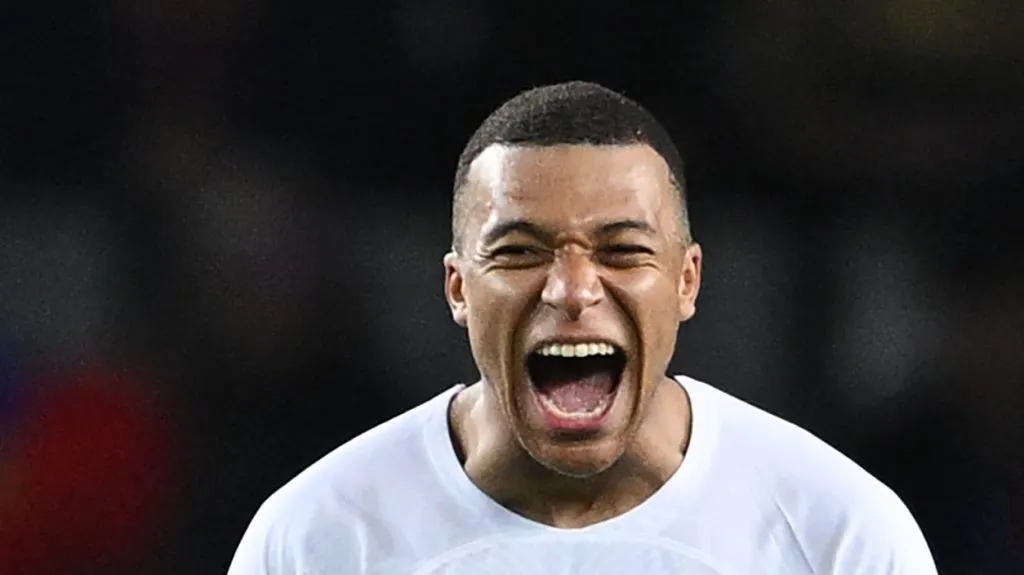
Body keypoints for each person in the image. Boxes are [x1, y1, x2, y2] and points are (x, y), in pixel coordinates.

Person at [227, 81, 937, 574]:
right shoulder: (317, 535)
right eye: (520, 252)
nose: (570, 289)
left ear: (687, 280)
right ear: (457, 287)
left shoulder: (838, 531)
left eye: (622, 250)